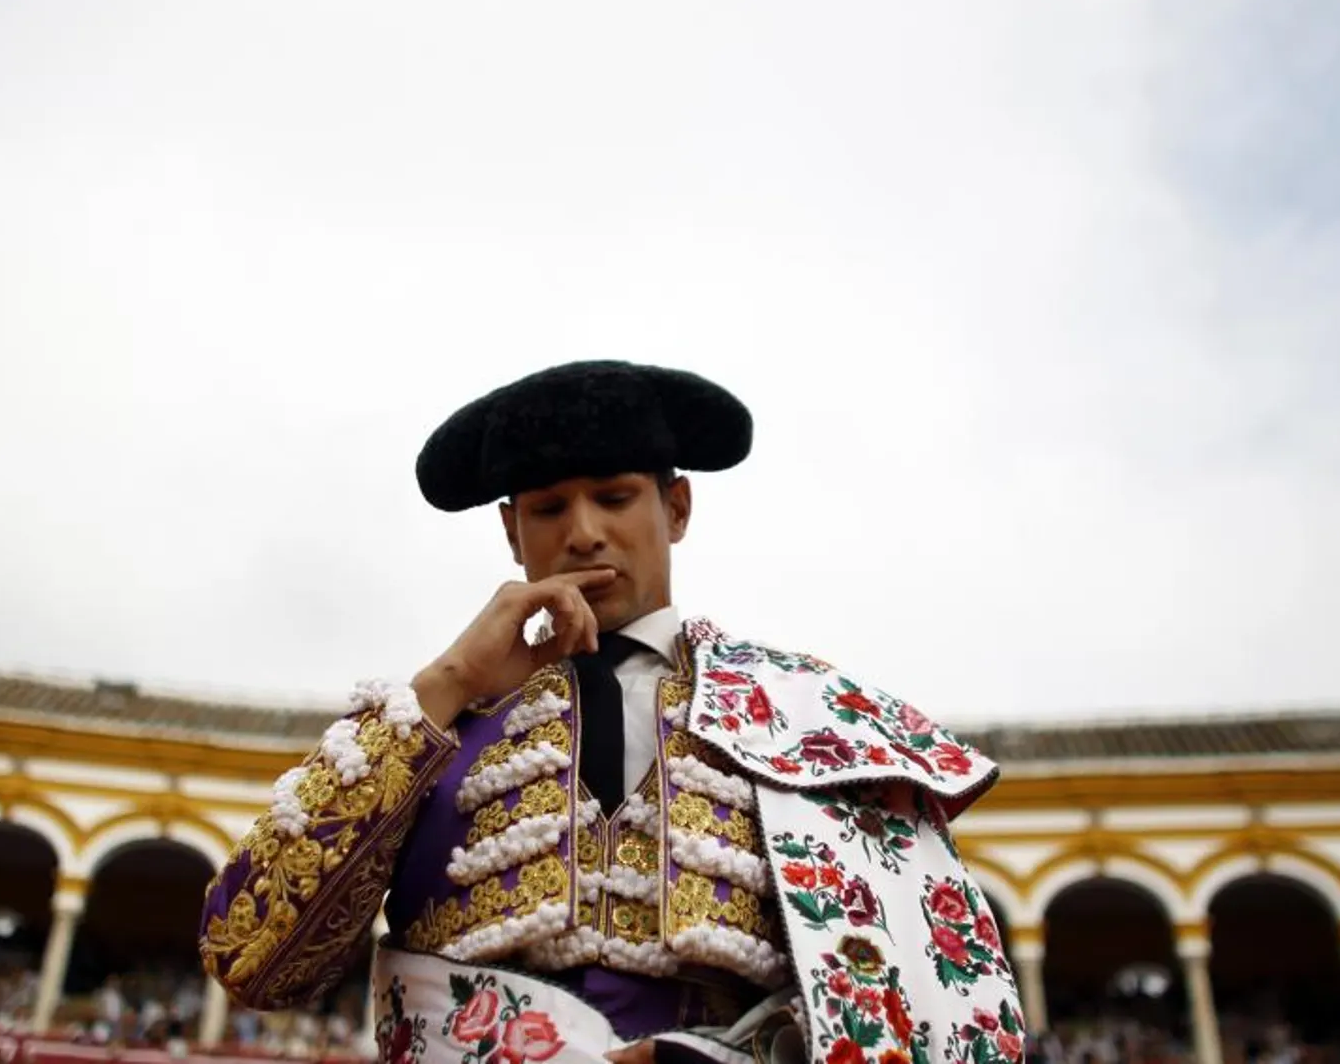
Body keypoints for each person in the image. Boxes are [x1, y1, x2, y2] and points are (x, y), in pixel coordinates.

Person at [200, 360, 1021, 1064]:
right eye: (550, 507)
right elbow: (254, 960)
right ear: (511, 530)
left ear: (677, 510)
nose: (585, 531)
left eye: (615, 496)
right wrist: (449, 680)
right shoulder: (437, 721)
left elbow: (932, 1001)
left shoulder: (806, 716)